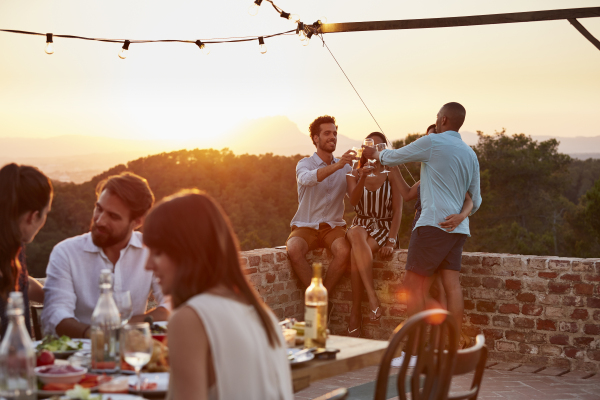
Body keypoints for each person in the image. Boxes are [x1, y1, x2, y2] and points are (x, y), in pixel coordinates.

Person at [144, 190, 293, 400]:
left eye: (157, 253)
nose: (148, 265)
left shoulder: (189, 319)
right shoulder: (261, 313)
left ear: (187, 251)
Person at [363, 102, 482, 343]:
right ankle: (453, 344)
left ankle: (414, 351)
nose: (436, 120)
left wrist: (374, 153)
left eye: (438, 117)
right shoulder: (470, 154)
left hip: (431, 227)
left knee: (413, 287)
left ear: (444, 120)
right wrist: (461, 216)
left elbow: (393, 156)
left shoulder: (433, 141)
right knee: (452, 286)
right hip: (458, 230)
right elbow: (476, 200)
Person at [41, 172, 169, 338]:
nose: (100, 221)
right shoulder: (66, 252)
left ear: (137, 222)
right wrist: (96, 336)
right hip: (80, 354)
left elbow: (172, 304)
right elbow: (56, 314)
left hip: (133, 351)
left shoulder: (150, 250)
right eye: (99, 209)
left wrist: (125, 327)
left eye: (113, 216)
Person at [286, 115, 355, 297]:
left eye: (334, 133)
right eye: (327, 133)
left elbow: (355, 199)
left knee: (344, 250)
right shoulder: (304, 164)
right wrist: (338, 165)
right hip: (306, 225)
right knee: (293, 248)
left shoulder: (346, 167)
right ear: (316, 138)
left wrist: (361, 175)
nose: (332, 137)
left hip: (333, 226)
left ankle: (323, 299)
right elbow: (307, 179)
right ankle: (317, 298)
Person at [345, 132, 403, 337]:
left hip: (383, 227)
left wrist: (391, 241)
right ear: (364, 149)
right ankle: (372, 298)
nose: (374, 149)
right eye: (370, 146)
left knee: (356, 255)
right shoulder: (354, 172)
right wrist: (361, 177)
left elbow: (398, 211)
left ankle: (354, 314)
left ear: (384, 149)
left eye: (380, 146)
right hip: (360, 224)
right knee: (356, 233)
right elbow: (353, 202)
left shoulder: (391, 171)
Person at [0, 163, 52, 339]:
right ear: (32, 217)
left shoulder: (13, 244)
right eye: (46, 214)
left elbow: (20, 282)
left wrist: (53, 299)